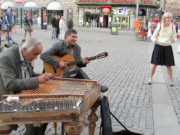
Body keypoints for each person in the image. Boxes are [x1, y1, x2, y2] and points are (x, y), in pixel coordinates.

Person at [0, 38, 52, 135]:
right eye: (35, 54)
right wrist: (37, 80)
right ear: (25, 49)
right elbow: (10, 84)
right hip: (8, 99)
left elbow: (29, 75)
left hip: (23, 94)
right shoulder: (7, 57)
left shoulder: (26, 55)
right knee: (39, 113)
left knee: (47, 111)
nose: (36, 58)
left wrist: (42, 76)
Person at [40, 29, 108, 92]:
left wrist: (83, 63)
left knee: (76, 69)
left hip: (69, 73)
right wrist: (58, 62)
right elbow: (43, 55)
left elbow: (77, 64)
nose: (75, 39)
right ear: (66, 36)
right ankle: (96, 86)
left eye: (76, 37)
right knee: (76, 69)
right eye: (73, 37)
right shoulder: (58, 46)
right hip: (56, 74)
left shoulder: (77, 48)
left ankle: (92, 88)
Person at [147, 12, 177, 86]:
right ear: (164, 18)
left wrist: (173, 39)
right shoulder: (160, 26)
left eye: (170, 17)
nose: (169, 19)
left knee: (168, 65)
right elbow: (153, 36)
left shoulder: (173, 27)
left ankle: (170, 80)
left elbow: (175, 37)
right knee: (154, 64)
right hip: (159, 46)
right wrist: (154, 40)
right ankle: (150, 78)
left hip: (167, 47)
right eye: (168, 17)